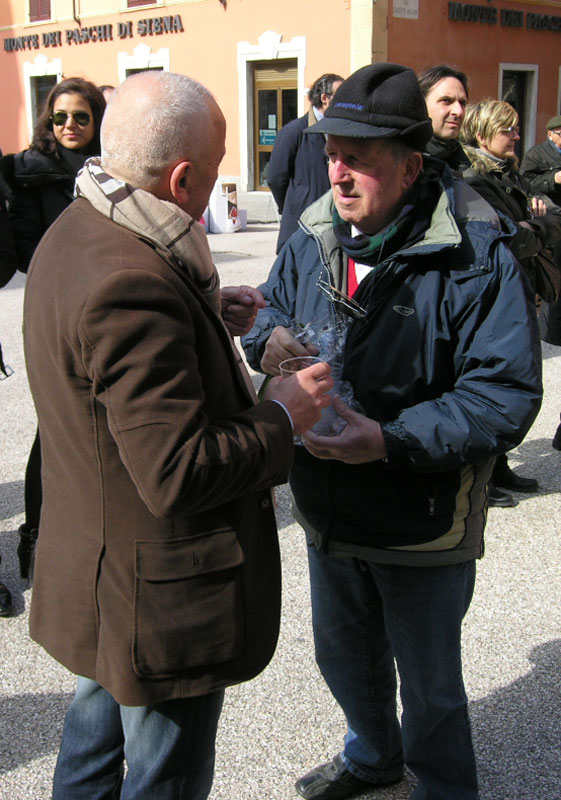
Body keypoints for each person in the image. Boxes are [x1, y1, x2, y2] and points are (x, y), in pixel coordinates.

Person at [22, 70, 333, 799]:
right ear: (184, 177)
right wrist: (282, 411)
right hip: (154, 599)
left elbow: (99, 372)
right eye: (217, 172)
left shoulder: (83, 224)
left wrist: (203, 312)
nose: (218, 188)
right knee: (161, 777)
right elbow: (178, 472)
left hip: (103, 574)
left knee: (91, 755)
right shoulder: (131, 284)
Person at [242, 63, 542, 800]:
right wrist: (269, 340)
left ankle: (442, 787)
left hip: (422, 516)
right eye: (331, 152)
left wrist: (388, 439)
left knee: (431, 688)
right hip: (325, 501)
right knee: (343, 659)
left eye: (358, 157)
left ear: (410, 165)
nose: (337, 173)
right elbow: (271, 312)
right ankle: (372, 757)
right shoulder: (315, 230)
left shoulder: (476, 251)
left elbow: (503, 394)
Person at [0, 77, 106, 580]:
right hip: (57, 310)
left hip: (109, 306)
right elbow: (22, 250)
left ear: (96, 121)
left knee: (106, 421)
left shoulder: (113, 166)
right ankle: (35, 539)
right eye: (60, 116)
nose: (69, 125)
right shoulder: (29, 173)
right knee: (55, 427)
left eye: (81, 117)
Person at [461, 99, 561, 500]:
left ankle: (498, 467)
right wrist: (534, 225)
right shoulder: (473, 179)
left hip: (516, 288)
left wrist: (534, 222)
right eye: (509, 129)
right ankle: (481, 479)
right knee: (489, 383)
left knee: (509, 382)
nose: (517, 135)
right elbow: (505, 239)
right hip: (489, 294)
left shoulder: (508, 172)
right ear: (483, 133)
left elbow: (545, 220)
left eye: (517, 127)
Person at [267, 72, 344, 253]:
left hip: (332, 226)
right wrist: (294, 204)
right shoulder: (294, 131)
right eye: (340, 96)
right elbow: (276, 178)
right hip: (301, 224)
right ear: (325, 98)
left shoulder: (340, 132)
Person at [521, 114, 561, 449]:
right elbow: (530, 183)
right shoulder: (537, 154)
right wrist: (555, 178)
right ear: (551, 134)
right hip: (552, 237)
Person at [418, 63, 470, 173]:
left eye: (462, 103)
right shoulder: (404, 167)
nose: (458, 111)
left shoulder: (470, 167)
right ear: (421, 104)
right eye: (446, 101)